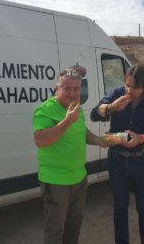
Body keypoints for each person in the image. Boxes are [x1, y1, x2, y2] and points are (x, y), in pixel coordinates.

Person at [90, 64, 144, 244]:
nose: (129, 90)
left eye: (134, 87)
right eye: (127, 85)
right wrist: (110, 108)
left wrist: (141, 139)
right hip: (116, 159)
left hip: (141, 160)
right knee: (120, 207)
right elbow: (94, 114)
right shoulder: (117, 93)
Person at [33, 65, 107, 244]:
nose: (72, 94)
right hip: (56, 181)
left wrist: (98, 140)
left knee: (74, 226)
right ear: (56, 88)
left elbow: (81, 132)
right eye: (67, 89)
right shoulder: (45, 110)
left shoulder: (76, 108)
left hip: (79, 178)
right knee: (55, 231)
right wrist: (67, 121)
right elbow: (40, 140)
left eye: (76, 89)